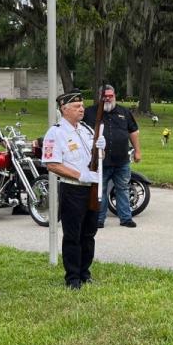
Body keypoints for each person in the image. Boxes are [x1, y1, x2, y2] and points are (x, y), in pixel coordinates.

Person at [43, 90, 106, 290]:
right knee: (73, 235)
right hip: (73, 189)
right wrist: (80, 175)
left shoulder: (86, 129)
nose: (82, 109)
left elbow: (96, 156)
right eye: (77, 106)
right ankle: (73, 277)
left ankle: (85, 272)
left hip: (92, 188)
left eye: (82, 106)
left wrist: (102, 148)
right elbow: (52, 164)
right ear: (64, 109)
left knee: (89, 233)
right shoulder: (56, 133)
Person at [83, 85, 142, 229]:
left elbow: (133, 132)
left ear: (115, 95)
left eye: (111, 95)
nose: (108, 98)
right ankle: (98, 220)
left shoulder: (124, 112)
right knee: (100, 190)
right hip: (100, 161)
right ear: (100, 97)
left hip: (121, 160)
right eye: (105, 96)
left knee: (123, 188)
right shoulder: (90, 113)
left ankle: (126, 218)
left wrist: (137, 151)